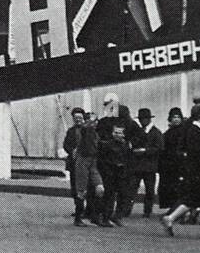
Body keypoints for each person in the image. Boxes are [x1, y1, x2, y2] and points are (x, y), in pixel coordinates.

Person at [160, 103, 200, 239]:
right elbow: (195, 151)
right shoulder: (194, 130)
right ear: (199, 114)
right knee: (197, 197)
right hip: (199, 170)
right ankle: (171, 218)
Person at [95, 95, 137, 225]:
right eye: (107, 104)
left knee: (123, 191)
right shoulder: (103, 122)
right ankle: (106, 216)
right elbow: (97, 139)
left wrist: (129, 142)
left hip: (123, 161)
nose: (110, 107)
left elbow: (139, 135)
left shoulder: (127, 121)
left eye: (112, 104)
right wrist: (107, 143)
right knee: (109, 191)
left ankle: (117, 215)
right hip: (107, 161)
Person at [129, 107, 163, 217]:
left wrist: (145, 151)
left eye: (144, 118)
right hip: (137, 165)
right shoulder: (138, 132)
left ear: (149, 119)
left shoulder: (156, 133)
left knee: (149, 189)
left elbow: (159, 148)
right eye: (141, 119)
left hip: (149, 165)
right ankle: (127, 209)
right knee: (132, 188)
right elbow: (132, 143)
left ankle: (147, 211)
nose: (142, 121)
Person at [157, 107, 186, 213]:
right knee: (169, 187)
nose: (176, 119)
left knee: (178, 187)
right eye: (174, 117)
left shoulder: (184, 132)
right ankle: (173, 208)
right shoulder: (167, 133)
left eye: (178, 117)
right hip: (169, 165)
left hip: (180, 164)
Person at [63, 108, 88, 223]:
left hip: (86, 162)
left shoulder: (88, 130)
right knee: (75, 187)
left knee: (86, 186)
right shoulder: (70, 131)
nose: (78, 120)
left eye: (80, 118)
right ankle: (78, 208)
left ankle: (85, 209)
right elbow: (66, 144)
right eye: (76, 118)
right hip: (74, 162)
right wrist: (71, 150)